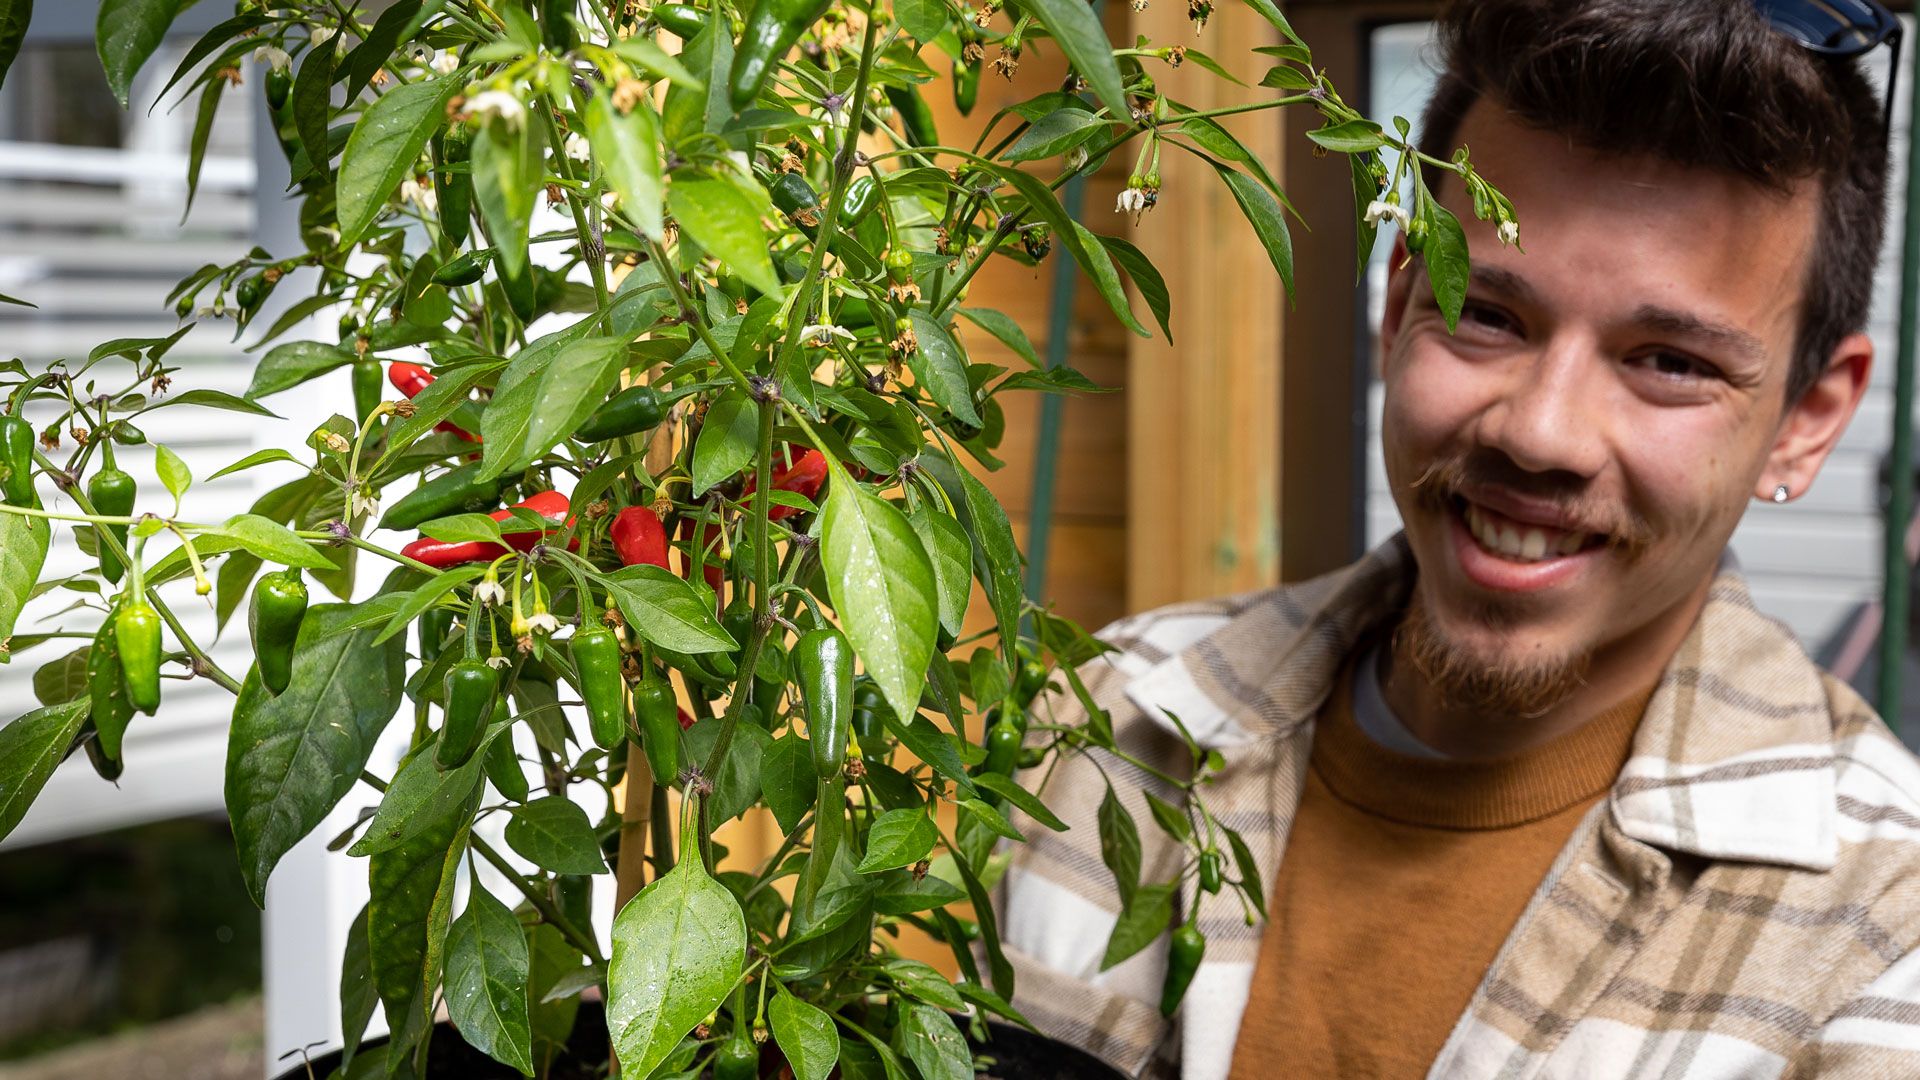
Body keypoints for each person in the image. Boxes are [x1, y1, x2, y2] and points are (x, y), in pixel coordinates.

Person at [992, 1, 1920, 1076]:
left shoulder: (1882, 936)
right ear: (1397, 306)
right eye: (1486, 313)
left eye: (1670, 361)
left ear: (1806, 421)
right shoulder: (1108, 717)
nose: (1539, 432)